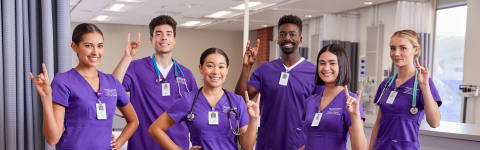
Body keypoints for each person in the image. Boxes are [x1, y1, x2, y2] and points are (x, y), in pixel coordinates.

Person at [30, 23, 138, 149]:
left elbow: (133, 121)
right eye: (88, 46)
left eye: (100, 46)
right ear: (74, 46)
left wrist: (119, 143)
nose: (95, 52)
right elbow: (52, 139)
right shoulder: (63, 81)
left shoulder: (112, 82)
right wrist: (46, 99)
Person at [112, 15, 198, 150]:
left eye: (168, 34)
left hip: (177, 146)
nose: (164, 38)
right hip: (142, 145)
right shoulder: (135, 68)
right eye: (159, 34)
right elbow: (113, 88)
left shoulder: (186, 75)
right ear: (152, 39)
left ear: (174, 39)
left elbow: (195, 114)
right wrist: (126, 58)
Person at [148, 48, 260, 150]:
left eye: (221, 67)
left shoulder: (237, 101)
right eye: (210, 66)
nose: (216, 72)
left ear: (227, 70)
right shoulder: (189, 100)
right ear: (201, 68)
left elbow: (247, 146)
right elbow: (155, 129)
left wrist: (254, 119)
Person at [235, 14, 316, 150]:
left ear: (300, 39)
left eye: (292, 34)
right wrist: (246, 67)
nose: (287, 38)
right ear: (278, 40)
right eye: (283, 34)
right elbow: (241, 98)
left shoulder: (313, 72)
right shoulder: (265, 69)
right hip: (267, 144)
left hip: (299, 145)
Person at [368, 29, 442, 150]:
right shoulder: (386, 84)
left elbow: (435, 122)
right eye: (393, 48)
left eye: (403, 48)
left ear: (416, 50)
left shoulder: (424, 82)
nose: (396, 53)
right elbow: (378, 123)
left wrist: (425, 87)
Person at [300, 44, 366, 150]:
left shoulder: (350, 101)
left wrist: (355, 117)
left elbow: (360, 148)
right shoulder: (310, 101)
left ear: (342, 66)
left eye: (332, 63)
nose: (326, 68)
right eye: (322, 63)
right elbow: (311, 141)